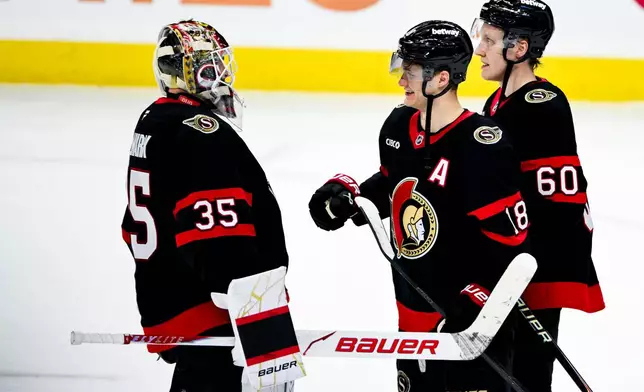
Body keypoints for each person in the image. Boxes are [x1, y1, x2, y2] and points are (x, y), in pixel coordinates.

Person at [309, 20, 530, 392]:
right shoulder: (397, 126)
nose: (401, 82)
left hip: (472, 325)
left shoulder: (481, 146)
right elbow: (396, 182)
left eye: (409, 72)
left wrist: (476, 300)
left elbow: (512, 240)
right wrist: (351, 196)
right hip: (412, 309)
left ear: (441, 79)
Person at [120, 20, 291, 392]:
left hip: (172, 298)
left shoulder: (156, 118)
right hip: (218, 317)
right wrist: (262, 332)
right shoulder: (200, 134)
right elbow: (219, 238)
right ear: (181, 73)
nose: (222, 74)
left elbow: (135, 225)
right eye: (209, 65)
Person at [470, 1, 606, 390]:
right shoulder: (499, 101)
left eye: (489, 41)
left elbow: (558, 200)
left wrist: (520, 264)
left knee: (526, 374)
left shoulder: (540, 105)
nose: (479, 49)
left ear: (519, 49)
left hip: (534, 263)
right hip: (514, 258)